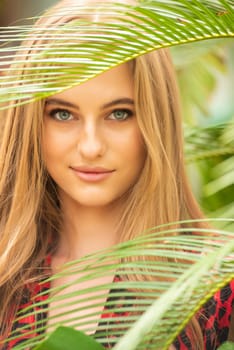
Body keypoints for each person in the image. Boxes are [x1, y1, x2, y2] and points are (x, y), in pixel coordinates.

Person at [0, 0, 233, 349]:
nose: (91, 146)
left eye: (119, 114)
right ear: (32, 124)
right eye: (63, 114)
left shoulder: (217, 283)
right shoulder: (6, 278)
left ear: (156, 121)